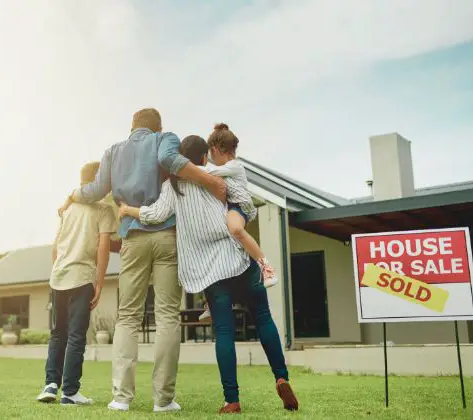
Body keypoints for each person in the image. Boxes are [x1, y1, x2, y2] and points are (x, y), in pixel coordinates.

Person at [58, 108, 227, 413]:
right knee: (166, 317)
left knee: (128, 318)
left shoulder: (113, 151)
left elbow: (96, 190)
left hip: (132, 240)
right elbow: (172, 161)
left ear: (132, 127)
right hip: (166, 238)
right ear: (158, 127)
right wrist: (210, 181)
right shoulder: (165, 139)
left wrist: (73, 193)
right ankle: (163, 400)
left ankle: (121, 397)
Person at [120, 135, 298, 414]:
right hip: (238, 260)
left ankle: (232, 400)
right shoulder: (215, 176)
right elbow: (244, 202)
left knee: (224, 332)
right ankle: (281, 377)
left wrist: (128, 209)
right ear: (204, 157)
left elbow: (155, 215)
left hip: (210, 273)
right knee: (263, 318)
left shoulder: (173, 186)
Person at [37, 162, 117, 405]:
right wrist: (100, 282)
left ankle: (51, 385)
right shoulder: (103, 210)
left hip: (58, 278)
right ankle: (70, 392)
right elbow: (103, 247)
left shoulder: (67, 210)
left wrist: (58, 270)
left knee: (57, 334)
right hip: (81, 278)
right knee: (75, 336)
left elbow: (55, 247)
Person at [197, 123, 278, 323]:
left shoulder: (234, 166)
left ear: (215, 150)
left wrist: (185, 167)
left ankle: (266, 266)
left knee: (235, 229)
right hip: (229, 208)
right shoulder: (225, 167)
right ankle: (209, 302)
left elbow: (209, 174)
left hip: (239, 207)